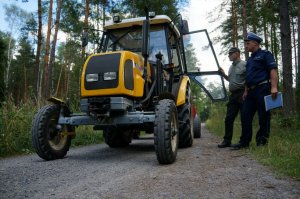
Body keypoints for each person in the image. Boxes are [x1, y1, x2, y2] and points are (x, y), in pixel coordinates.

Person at [232, 32, 278, 150]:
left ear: (255, 43)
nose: (246, 46)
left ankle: (261, 143)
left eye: (248, 43)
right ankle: (244, 142)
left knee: (264, 117)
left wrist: (274, 87)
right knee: (245, 116)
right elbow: (249, 76)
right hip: (250, 92)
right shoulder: (250, 59)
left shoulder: (265, 55)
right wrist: (246, 91)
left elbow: (272, 70)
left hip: (263, 89)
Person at [218, 47, 246, 148]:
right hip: (233, 95)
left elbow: (248, 78)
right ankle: (227, 141)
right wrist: (223, 74)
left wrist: (246, 91)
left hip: (243, 93)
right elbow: (230, 80)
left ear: (237, 53)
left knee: (244, 118)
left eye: (231, 53)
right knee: (229, 118)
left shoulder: (244, 64)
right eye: (228, 54)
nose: (229, 55)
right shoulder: (231, 67)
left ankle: (243, 142)